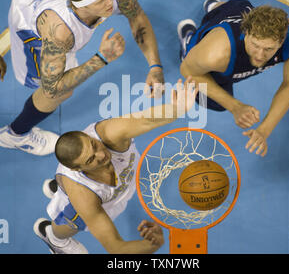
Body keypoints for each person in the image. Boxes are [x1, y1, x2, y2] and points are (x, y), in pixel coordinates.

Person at [0, 0, 164, 156]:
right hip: (28, 10)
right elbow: (52, 89)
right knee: (59, 93)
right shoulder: (58, 32)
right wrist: (101, 58)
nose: (110, 3)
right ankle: (15, 135)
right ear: (81, 7)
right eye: (101, 2)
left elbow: (137, 16)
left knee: (66, 68)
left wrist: (155, 66)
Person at [33, 77, 198, 254]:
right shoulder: (84, 196)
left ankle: (59, 189)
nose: (103, 155)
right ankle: (54, 238)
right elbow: (116, 247)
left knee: (78, 185)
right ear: (78, 169)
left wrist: (177, 109)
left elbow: (145, 120)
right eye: (91, 160)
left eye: (94, 145)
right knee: (74, 221)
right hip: (83, 197)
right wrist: (153, 244)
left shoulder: (108, 133)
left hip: (104, 187)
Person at [178, 0, 289, 157]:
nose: (260, 55)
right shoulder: (216, 54)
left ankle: (215, 8)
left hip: (238, 8)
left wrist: (264, 130)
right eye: (255, 45)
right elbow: (187, 71)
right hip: (210, 46)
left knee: (233, 7)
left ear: (281, 41)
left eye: (268, 48)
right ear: (246, 32)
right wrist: (235, 106)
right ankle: (188, 40)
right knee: (212, 101)